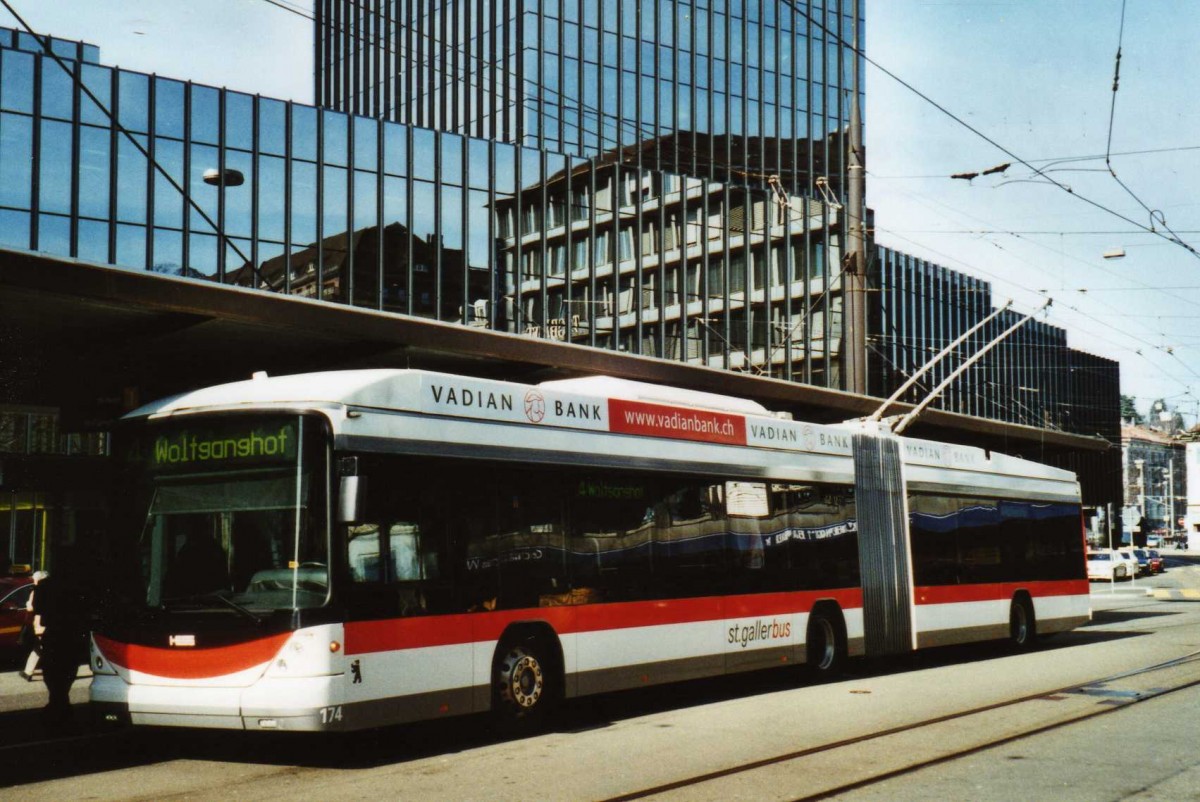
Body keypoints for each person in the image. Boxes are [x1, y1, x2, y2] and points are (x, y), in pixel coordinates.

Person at [33, 553, 90, 727]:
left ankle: (57, 702)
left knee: (52, 671)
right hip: (71, 634)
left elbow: (38, 608)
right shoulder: (78, 587)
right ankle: (61, 703)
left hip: (54, 633)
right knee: (67, 671)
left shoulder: (45, 586)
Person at [18, 570, 48, 681]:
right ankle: (28, 671)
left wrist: (27, 603)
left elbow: (31, 607)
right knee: (39, 647)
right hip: (45, 624)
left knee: (40, 647)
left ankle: (28, 672)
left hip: (40, 624)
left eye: (34, 579)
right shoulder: (50, 590)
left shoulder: (37, 591)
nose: (33, 581)